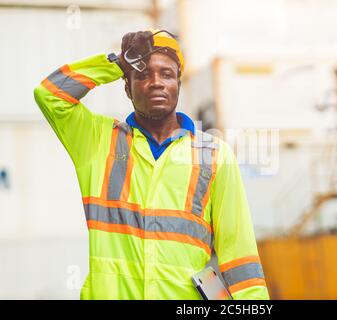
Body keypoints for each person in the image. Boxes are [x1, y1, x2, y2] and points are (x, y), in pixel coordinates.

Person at [34, 29, 270, 300]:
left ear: (178, 85)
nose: (156, 82)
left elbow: (239, 256)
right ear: (126, 87)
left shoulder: (214, 155)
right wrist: (116, 63)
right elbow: (49, 95)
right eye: (143, 74)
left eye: (167, 74)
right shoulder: (97, 142)